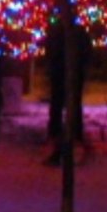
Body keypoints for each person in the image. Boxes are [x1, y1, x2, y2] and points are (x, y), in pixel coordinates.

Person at [43, 14, 91, 165]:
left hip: (61, 73)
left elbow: (50, 51)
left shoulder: (57, 32)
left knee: (59, 105)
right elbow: (87, 52)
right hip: (72, 73)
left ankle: (58, 133)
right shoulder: (78, 32)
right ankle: (72, 132)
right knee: (72, 105)